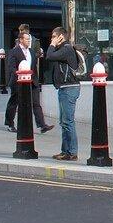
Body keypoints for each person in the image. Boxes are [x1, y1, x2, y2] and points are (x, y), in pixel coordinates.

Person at [5, 31, 53, 134]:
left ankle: (42, 125)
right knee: (14, 102)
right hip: (18, 81)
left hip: (32, 81)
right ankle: (10, 123)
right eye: (27, 39)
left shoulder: (31, 52)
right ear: (21, 40)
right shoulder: (14, 51)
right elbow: (11, 67)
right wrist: (20, 75)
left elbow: (34, 67)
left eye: (29, 39)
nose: (28, 41)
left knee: (36, 103)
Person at [46, 27, 81, 161]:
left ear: (61, 37)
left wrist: (53, 44)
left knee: (68, 121)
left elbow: (49, 56)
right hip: (64, 88)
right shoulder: (63, 50)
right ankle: (65, 151)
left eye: (54, 36)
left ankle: (72, 152)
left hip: (69, 88)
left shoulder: (66, 49)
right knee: (64, 122)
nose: (51, 39)